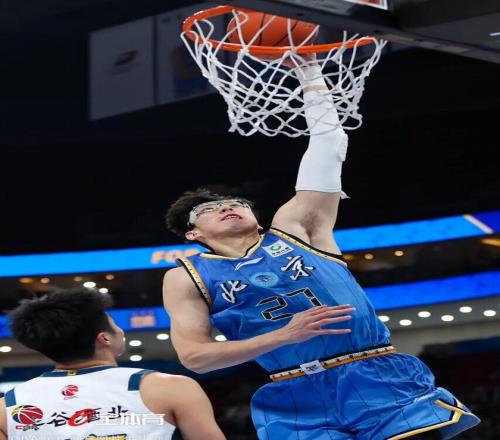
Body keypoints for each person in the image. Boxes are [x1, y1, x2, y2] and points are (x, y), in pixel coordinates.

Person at [162, 60, 480, 439]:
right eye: (208, 210)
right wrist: (284, 336)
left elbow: (329, 145)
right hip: (294, 392)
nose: (227, 207)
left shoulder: (296, 229)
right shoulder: (186, 276)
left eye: (236, 202)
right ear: (193, 234)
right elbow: (195, 358)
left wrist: (310, 73)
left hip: (377, 372)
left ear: (257, 218)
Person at [0, 288, 225, 440]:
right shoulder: (170, 388)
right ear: (104, 338)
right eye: (114, 323)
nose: (121, 330)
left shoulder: (6, 407)